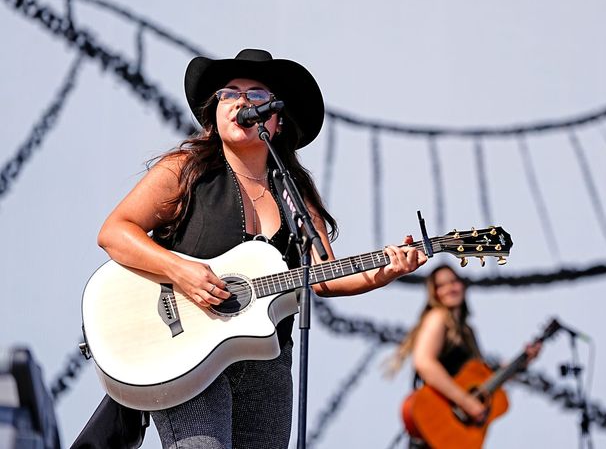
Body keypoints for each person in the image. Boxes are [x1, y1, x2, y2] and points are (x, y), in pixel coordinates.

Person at [94, 48, 428, 449]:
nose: (240, 103)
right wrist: (178, 269)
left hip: (267, 363)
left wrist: (387, 269)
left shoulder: (293, 193)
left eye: (255, 96)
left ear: (277, 119)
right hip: (186, 348)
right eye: (229, 94)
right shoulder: (186, 169)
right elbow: (114, 232)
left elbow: (323, 275)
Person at [388, 264, 541, 449]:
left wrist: (522, 362)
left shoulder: (467, 332)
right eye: (441, 285)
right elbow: (424, 363)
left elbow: (480, 379)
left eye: (454, 282)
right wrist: (466, 402)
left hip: (453, 434)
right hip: (435, 424)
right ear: (434, 293)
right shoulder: (438, 317)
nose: (450, 288)